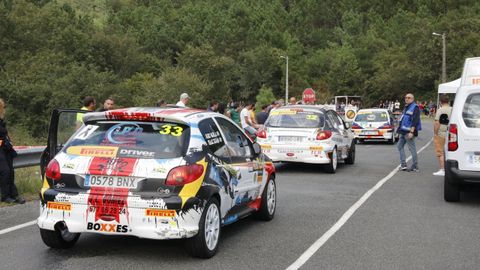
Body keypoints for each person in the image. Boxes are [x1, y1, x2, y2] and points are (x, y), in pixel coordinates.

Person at [0, 99, 25, 204]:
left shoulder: (1, 121)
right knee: (5, 171)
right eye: (3, 107)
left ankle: (14, 195)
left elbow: (4, 133)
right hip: (1, 148)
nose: (4, 109)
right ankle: (5, 196)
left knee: (10, 171)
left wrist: (9, 141)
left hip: (6, 148)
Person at [397, 93, 422, 172]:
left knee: (412, 149)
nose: (407, 99)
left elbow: (415, 120)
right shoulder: (406, 107)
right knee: (399, 146)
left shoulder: (415, 107)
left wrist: (412, 132)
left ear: (412, 99)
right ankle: (403, 165)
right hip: (403, 131)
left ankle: (415, 166)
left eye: (409, 98)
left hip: (409, 132)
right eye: (406, 97)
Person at [433, 95, 452, 176]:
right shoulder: (453, 109)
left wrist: (435, 132)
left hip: (441, 132)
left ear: (440, 102)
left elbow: (437, 123)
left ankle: (442, 169)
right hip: (451, 133)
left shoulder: (440, 110)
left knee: (440, 152)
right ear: (448, 101)